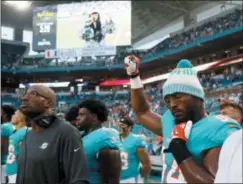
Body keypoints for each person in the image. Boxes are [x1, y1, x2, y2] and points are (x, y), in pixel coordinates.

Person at [124, 55, 242, 183]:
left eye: (178, 96)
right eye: (168, 101)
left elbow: (217, 182)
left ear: (198, 97)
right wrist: (134, 77)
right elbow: (142, 112)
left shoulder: (215, 129)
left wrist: (180, 150)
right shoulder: (171, 120)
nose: (172, 105)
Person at [17, 85, 89, 184]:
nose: (23, 98)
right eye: (25, 94)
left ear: (48, 103)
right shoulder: (27, 136)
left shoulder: (66, 132)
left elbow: (79, 179)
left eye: (33, 94)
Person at [76, 99, 122, 184]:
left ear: (94, 117)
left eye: (81, 115)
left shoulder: (105, 136)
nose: (77, 118)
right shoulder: (81, 135)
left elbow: (111, 178)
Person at [118, 116, 151, 183]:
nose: (120, 127)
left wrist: (139, 177)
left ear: (130, 127)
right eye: (119, 125)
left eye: (123, 125)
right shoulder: (115, 139)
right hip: (116, 179)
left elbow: (146, 165)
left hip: (130, 179)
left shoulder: (136, 140)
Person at [5, 110, 27, 183]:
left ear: (21, 117)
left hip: (18, 172)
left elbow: (25, 155)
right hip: (11, 171)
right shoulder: (15, 132)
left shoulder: (25, 132)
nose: (12, 116)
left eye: (15, 114)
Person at [1, 105, 16, 184]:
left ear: (5, 114)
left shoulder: (4, 127)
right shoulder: (14, 125)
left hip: (3, 162)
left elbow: (2, 147)